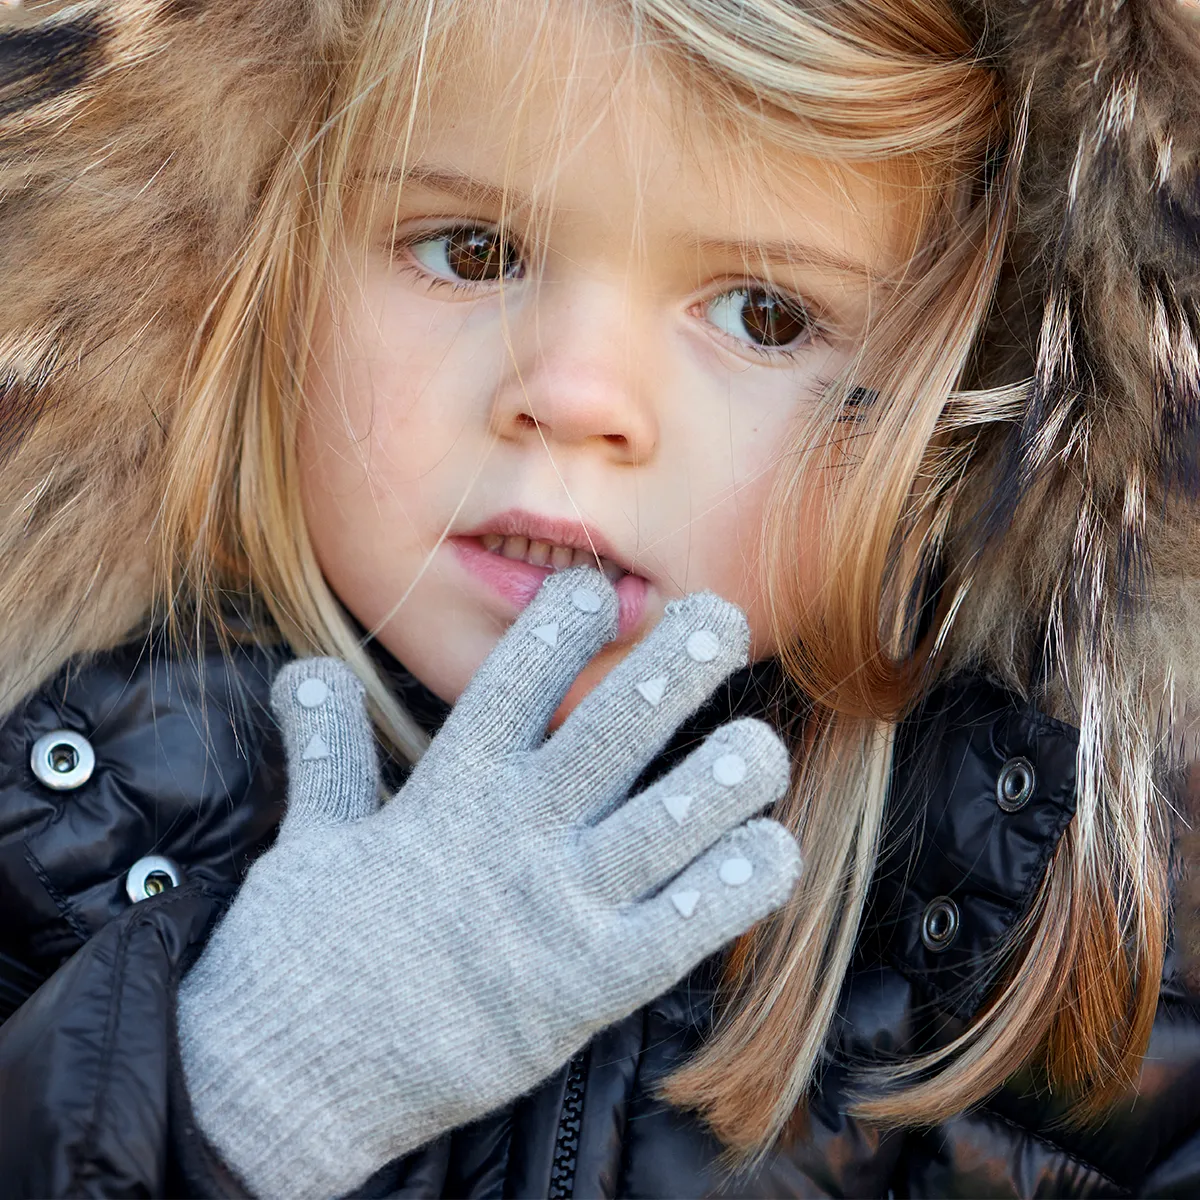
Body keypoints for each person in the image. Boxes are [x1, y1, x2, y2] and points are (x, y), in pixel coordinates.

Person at [2, 0, 1200, 1195]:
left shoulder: (1077, 930)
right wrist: (246, 1088)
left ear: (961, 417)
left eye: (764, 315)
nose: (575, 397)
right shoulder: (52, 825)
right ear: (248, 258)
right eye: (472, 249)